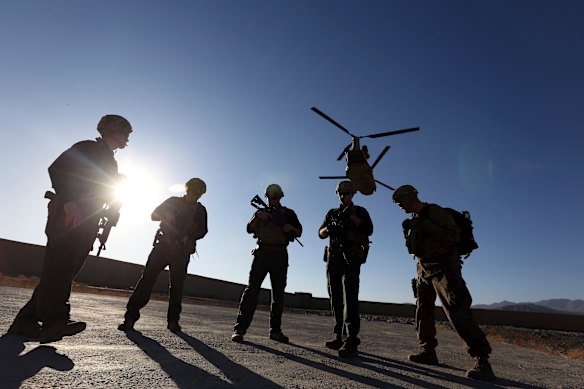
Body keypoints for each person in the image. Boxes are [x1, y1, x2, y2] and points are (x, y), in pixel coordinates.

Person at [7, 114, 132, 344]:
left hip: (87, 220)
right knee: (61, 268)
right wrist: (69, 201)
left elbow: (106, 192)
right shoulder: (87, 148)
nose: (127, 138)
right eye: (125, 132)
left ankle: (25, 322)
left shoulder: (109, 161)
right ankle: (56, 322)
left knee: (62, 271)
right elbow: (58, 169)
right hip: (70, 214)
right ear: (112, 131)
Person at [392, 184, 496, 381]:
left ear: (410, 197)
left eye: (401, 202)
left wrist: (426, 226)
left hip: (444, 267)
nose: (400, 206)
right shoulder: (412, 221)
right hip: (423, 269)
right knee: (422, 311)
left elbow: (453, 236)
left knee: (457, 311)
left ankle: (482, 360)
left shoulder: (434, 211)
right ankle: (427, 352)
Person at [118, 178, 208, 332]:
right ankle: (130, 317)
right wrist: (166, 214)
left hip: (181, 250)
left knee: (177, 286)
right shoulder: (173, 201)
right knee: (147, 279)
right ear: (187, 190)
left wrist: (190, 236)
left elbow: (203, 230)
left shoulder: (200, 210)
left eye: (200, 194)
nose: (197, 196)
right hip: (163, 246)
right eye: (195, 192)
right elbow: (153, 215)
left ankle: (173, 321)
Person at [231, 184, 302, 343]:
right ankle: (240, 329)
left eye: (275, 197)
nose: (273, 200)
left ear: (280, 197)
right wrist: (257, 217)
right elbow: (249, 229)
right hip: (262, 253)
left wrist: (289, 227)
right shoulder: (261, 212)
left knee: (278, 294)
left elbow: (299, 232)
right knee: (252, 290)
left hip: (280, 254)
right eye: (271, 197)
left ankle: (275, 331)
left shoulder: (288, 214)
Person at [318, 180, 373, 358]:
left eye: (347, 193)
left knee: (350, 296)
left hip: (351, 257)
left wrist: (352, 217)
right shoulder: (332, 213)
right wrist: (329, 228)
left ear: (352, 194)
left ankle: (351, 340)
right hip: (334, 258)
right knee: (335, 296)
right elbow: (320, 233)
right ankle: (338, 336)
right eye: (341, 193)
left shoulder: (360, 211)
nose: (343, 196)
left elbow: (369, 230)